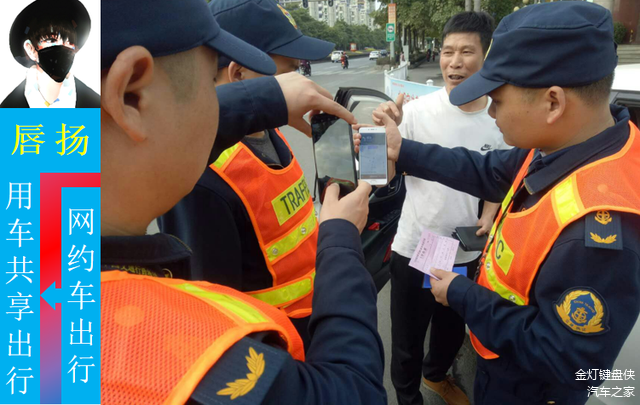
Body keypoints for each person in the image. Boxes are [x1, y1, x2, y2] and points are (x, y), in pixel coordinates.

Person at [101, 0, 387, 403]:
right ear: (131, 93)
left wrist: (262, 101)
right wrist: (340, 239)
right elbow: (354, 392)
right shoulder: (184, 353)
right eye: (209, 80)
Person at [357, 2, 640, 404]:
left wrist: (464, 295)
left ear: (553, 102)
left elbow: (569, 362)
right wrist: (402, 149)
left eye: (499, 100)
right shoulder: (565, 143)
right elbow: (487, 171)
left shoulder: (599, 230)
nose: (491, 112)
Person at [158, 0, 335, 348]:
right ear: (239, 75)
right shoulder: (204, 178)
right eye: (289, 72)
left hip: (312, 324)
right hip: (272, 350)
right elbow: (215, 312)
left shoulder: (271, 129)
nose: (300, 82)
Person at [372, 11, 507, 405]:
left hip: (465, 250)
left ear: (486, 56)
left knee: (450, 329)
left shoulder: (499, 118)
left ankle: (436, 377)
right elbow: (381, 178)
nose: (454, 62)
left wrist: (490, 210)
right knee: (408, 338)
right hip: (417, 246)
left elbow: (502, 177)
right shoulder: (416, 112)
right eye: (448, 52)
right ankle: (407, 397)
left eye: (466, 52)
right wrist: (380, 136)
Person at [1, 0, 99, 108]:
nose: (62, 48)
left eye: (69, 42)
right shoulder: (8, 109)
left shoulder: (95, 105)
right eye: (51, 41)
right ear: (30, 49)